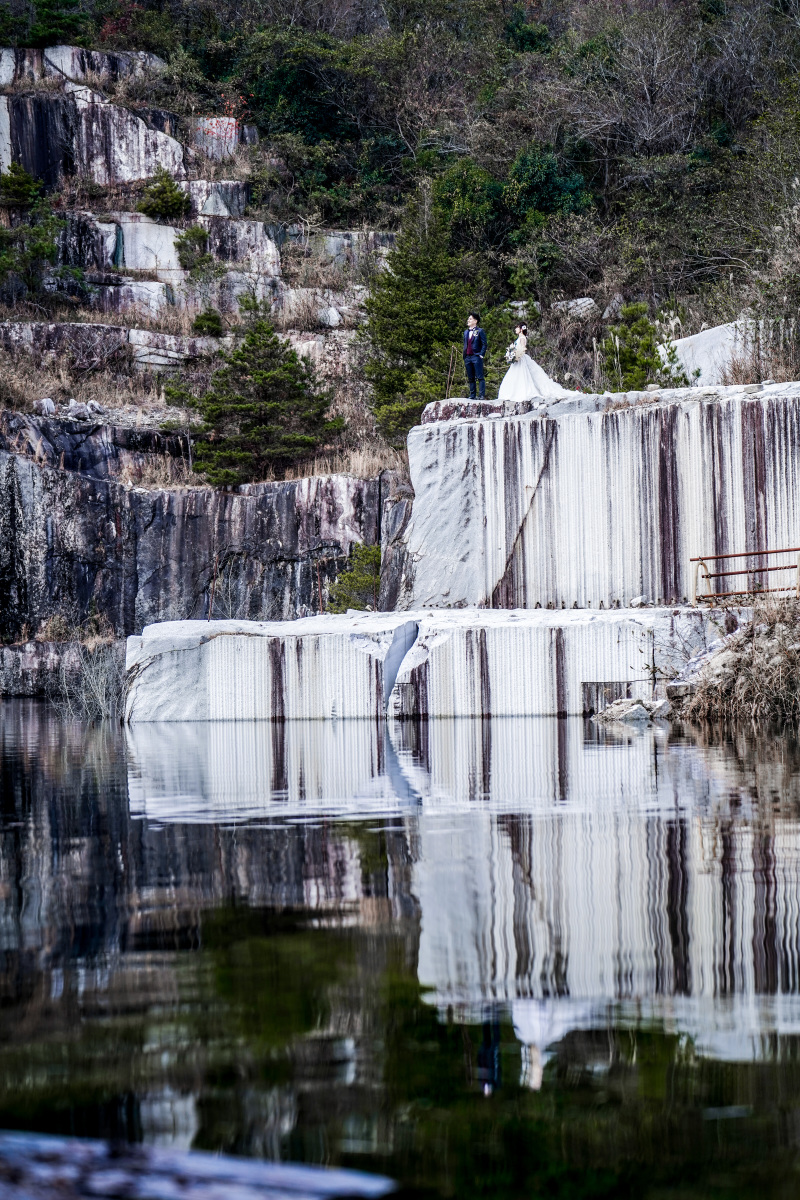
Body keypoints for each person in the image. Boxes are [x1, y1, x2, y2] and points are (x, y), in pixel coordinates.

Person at [498, 323, 567, 402]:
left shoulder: (522, 338)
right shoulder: (519, 338)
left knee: (522, 375)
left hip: (521, 359)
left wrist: (516, 355)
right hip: (517, 360)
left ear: (521, 329)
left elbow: (523, 349)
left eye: (517, 327)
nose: (515, 329)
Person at [463, 312, 487, 400]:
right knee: (471, 377)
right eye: (468, 319)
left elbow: (484, 344)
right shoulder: (466, 332)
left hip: (476, 356)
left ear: (475, 321)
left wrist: (481, 354)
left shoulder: (480, 331)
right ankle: (472, 395)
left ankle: (481, 395)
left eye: (470, 319)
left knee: (480, 376)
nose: (468, 320)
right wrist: (464, 355)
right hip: (468, 357)